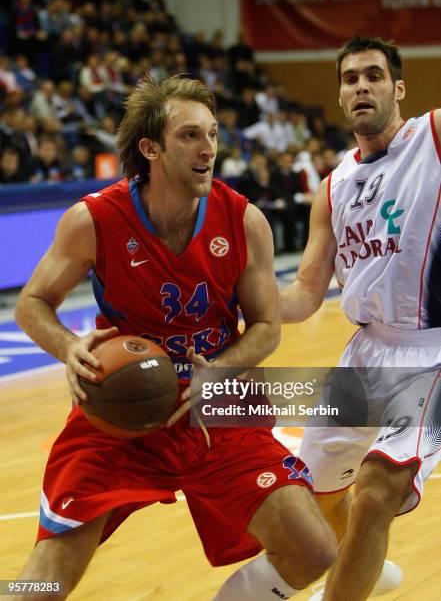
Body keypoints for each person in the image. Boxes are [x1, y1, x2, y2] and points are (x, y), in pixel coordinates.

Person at [12, 75, 336, 601]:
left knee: (314, 550)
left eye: (212, 133)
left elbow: (266, 326)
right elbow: (31, 303)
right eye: (190, 135)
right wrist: (68, 347)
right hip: (119, 416)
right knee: (40, 585)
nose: (208, 147)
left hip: (216, 407)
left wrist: (221, 370)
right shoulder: (93, 219)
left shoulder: (245, 221)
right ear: (151, 148)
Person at [280, 35, 441, 601]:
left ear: (398, 89)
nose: (361, 86)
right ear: (342, 96)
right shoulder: (334, 184)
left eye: (374, 75)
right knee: (312, 494)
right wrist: (242, 299)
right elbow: (303, 291)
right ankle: (372, 571)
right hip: (364, 351)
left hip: (431, 352)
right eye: (350, 79)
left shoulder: (434, 139)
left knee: (375, 494)